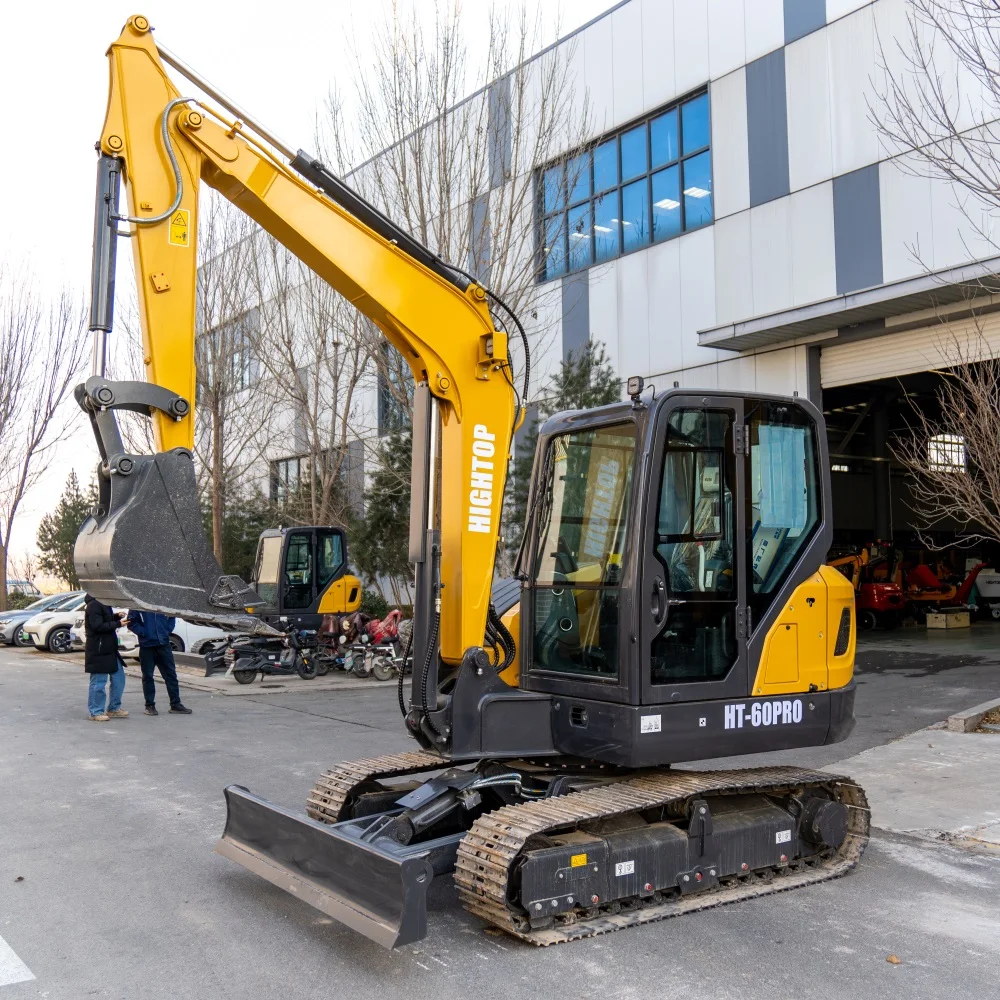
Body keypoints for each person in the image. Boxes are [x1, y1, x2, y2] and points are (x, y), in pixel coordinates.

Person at [125, 610, 192, 716]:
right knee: (148, 676)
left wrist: (166, 630)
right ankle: (149, 705)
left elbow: (172, 617)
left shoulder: (161, 602)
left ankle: (175, 704)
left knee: (171, 675)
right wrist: (145, 633)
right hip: (147, 646)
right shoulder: (139, 604)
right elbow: (131, 622)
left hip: (163, 644)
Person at [84, 594, 128, 722]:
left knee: (119, 678)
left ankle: (114, 708)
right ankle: (96, 712)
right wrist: (117, 624)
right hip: (99, 650)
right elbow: (97, 626)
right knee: (99, 682)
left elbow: (104, 619)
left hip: (110, 649)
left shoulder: (103, 602)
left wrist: (116, 616)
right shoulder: (93, 605)